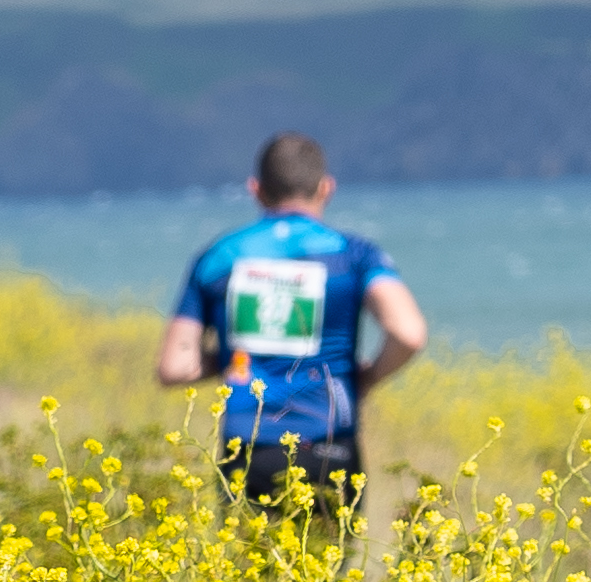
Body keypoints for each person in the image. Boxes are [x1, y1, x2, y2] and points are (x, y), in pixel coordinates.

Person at [158, 134, 431, 532]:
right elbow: (408, 333)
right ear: (326, 188)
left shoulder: (219, 256)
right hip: (329, 441)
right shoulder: (351, 254)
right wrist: (366, 379)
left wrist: (237, 356)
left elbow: (175, 366)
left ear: (256, 190)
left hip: (247, 445)